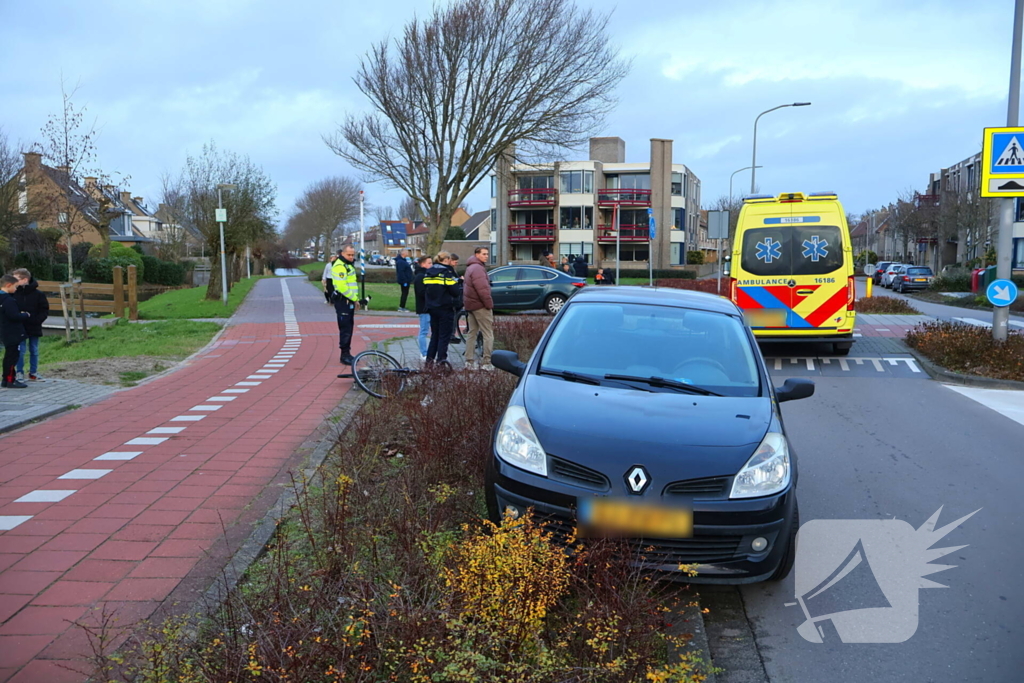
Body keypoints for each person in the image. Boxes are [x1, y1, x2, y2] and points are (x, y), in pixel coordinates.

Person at [424, 251, 462, 366]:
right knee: (444, 337)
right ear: (447, 260)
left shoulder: (429, 272)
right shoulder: (447, 272)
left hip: (432, 307)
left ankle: (429, 362)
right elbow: (454, 291)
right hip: (445, 308)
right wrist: (459, 284)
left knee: (434, 336)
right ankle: (441, 363)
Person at [12, 268, 48, 381]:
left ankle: (33, 372)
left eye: (16, 279)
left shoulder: (38, 294)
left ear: (25, 279)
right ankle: (19, 372)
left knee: (34, 349)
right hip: (19, 326)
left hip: (34, 326)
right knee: (20, 350)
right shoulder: (13, 293)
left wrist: (37, 320)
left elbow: (44, 310)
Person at [330, 245, 363, 365]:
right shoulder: (340, 266)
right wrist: (355, 299)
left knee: (349, 327)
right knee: (345, 328)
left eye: (353, 255)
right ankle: (344, 355)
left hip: (348, 301)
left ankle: (347, 353)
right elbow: (342, 287)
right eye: (349, 254)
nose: (351, 257)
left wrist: (354, 299)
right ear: (342, 253)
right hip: (343, 301)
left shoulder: (348, 265)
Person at [463, 246, 494, 370]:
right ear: (477, 254)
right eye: (484, 254)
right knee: (488, 334)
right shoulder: (478, 269)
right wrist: (489, 304)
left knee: (472, 333)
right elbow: (482, 290)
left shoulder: (471, 267)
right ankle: (487, 362)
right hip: (480, 305)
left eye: (487, 254)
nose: (486, 256)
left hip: (471, 305)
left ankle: (469, 361)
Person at [1, 274, 30, 389]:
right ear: (8, 285)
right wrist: (24, 315)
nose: (16, 289)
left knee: (8, 356)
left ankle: (5, 379)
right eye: (15, 286)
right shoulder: (8, 300)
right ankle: (10, 380)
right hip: (12, 332)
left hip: (4, 331)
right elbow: (13, 316)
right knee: (13, 357)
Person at [413, 255, 433, 360]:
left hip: (429, 307)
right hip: (424, 308)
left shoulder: (426, 275)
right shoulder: (421, 276)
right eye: (429, 263)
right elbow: (421, 292)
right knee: (424, 331)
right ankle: (423, 353)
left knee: (429, 330)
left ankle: (429, 352)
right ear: (423, 264)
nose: (431, 265)